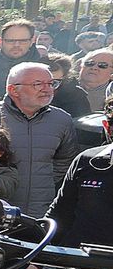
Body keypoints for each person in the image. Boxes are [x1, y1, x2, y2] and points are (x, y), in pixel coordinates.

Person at [0, 62, 78, 215]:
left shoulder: (62, 119)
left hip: (42, 210)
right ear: (13, 90)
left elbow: (66, 160)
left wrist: (44, 182)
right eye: (37, 84)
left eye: (51, 83)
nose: (47, 89)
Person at [46, 96, 113, 250]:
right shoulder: (87, 160)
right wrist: (37, 260)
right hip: (77, 264)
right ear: (106, 126)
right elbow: (60, 213)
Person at [0, 20, 47, 92]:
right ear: (0, 41)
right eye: (10, 41)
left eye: (23, 41)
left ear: (32, 41)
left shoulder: (47, 69)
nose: (16, 45)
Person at [49, 53, 92, 118]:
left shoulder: (76, 96)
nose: (47, 87)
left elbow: (80, 123)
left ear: (64, 77)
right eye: (39, 82)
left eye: (54, 82)